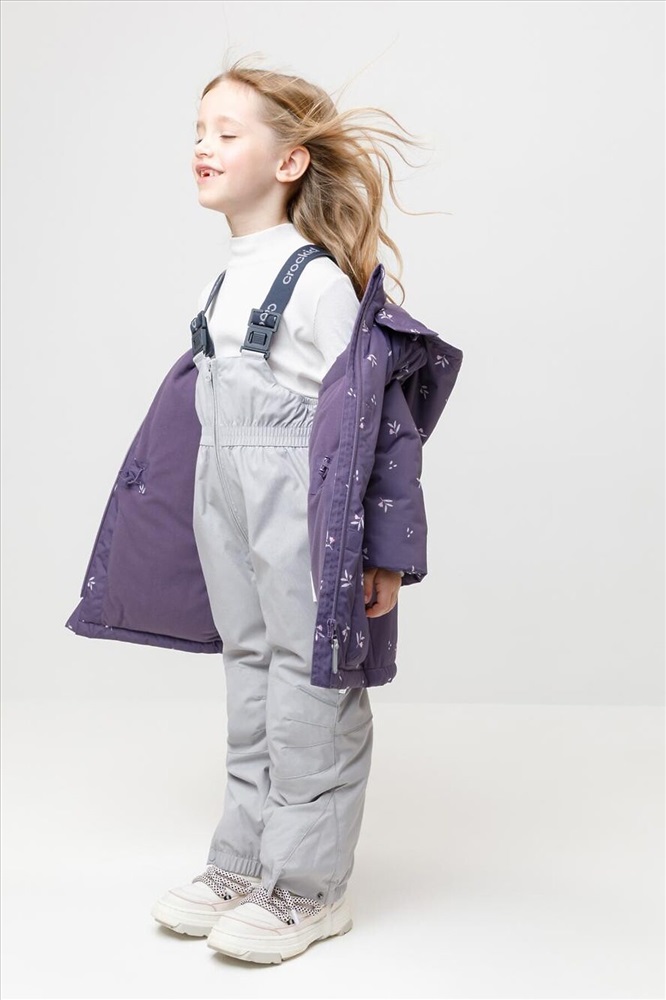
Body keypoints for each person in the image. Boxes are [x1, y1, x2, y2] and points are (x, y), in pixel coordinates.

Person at [150, 57, 428, 965]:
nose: (203, 147)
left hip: (298, 502)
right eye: (199, 132)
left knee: (312, 683)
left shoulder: (314, 283)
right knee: (250, 671)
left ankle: (311, 888)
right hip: (227, 499)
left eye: (226, 134)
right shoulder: (224, 280)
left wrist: (383, 550)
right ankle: (245, 863)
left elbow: (380, 421)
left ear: (289, 161)